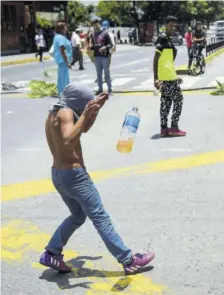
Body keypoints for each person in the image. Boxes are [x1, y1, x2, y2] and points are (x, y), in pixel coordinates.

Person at [39, 82, 155, 274]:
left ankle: (52, 252)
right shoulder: (65, 114)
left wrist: (95, 110)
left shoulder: (54, 113)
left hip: (59, 174)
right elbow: (68, 141)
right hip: (75, 176)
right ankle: (128, 260)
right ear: (77, 103)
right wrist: (85, 113)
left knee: (77, 216)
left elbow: (82, 130)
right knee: (100, 217)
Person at [153, 16, 186, 137]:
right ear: (165, 24)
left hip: (169, 77)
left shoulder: (168, 39)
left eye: (174, 25)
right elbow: (156, 59)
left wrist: (176, 77)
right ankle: (174, 127)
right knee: (178, 99)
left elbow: (167, 62)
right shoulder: (162, 38)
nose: (173, 28)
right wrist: (155, 78)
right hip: (166, 78)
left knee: (165, 102)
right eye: (170, 25)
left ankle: (164, 129)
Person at [91, 19, 113, 95]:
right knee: (98, 74)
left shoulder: (105, 33)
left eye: (96, 25)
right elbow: (93, 46)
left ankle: (110, 89)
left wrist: (105, 47)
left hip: (104, 57)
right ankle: (100, 89)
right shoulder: (93, 35)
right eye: (94, 26)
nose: (95, 27)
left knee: (107, 73)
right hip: (97, 57)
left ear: (99, 25)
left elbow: (111, 45)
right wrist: (90, 47)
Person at [53, 21, 72, 97]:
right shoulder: (60, 38)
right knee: (64, 80)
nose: (66, 29)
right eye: (65, 28)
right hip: (63, 61)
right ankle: (64, 96)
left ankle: (61, 95)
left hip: (61, 61)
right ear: (61, 29)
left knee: (61, 79)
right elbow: (62, 50)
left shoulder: (57, 36)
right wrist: (67, 62)